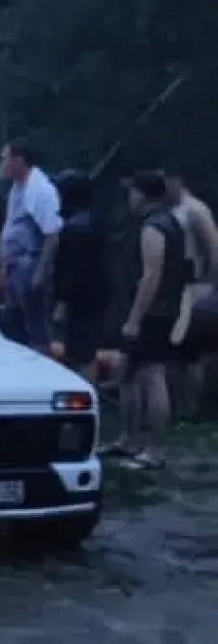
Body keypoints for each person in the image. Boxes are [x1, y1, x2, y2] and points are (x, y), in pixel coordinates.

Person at [106, 172, 187, 470]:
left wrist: (134, 319)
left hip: (152, 312)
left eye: (132, 193)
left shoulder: (154, 227)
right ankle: (128, 439)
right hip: (160, 308)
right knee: (127, 374)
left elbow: (151, 275)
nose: (129, 199)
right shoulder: (170, 222)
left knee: (152, 374)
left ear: (141, 195)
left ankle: (155, 449)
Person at [0, 141, 62, 351]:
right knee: (13, 323)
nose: (2, 163)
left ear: (18, 160)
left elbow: (52, 235)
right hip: (14, 266)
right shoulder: (17, 188)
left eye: (5, 158)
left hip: (30, 265)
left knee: (36, 327)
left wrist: (40, 274)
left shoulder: (41, 190)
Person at [165, 169, 218, 417]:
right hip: (175, 288)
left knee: (192, 352)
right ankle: (175, 407)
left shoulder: (195, 210)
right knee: (175, 352)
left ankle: (190, 409)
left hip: (197, 287)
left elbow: (212, 249)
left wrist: (209, 284)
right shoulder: (169, 211)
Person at [51, 170, 109, 381]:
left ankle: (86, 390)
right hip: (93, 297)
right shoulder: (93, 220)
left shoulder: (77, 228)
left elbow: (74, 270)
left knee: (81, 354)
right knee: (82, 351)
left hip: (80, 301)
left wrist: (62, 302)